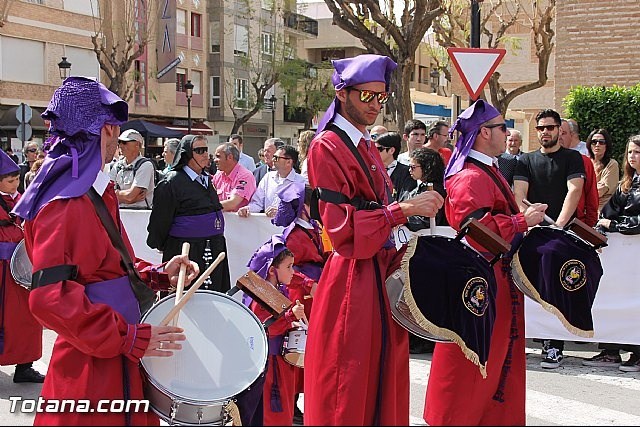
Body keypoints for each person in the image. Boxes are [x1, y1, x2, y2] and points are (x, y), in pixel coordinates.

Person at [11, 76, 198, 425]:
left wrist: (157, 273)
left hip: (113, 351)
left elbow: (107, 266)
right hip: (91, 365)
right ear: (106, 130)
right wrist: (127, 337)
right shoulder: (66, 203)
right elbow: (49, 297)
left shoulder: (91, 192)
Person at [305, 54, 444, 425]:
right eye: (366, 95)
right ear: (342, 93)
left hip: (377, 273)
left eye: (380, 97)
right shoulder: (326, 146)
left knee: (381, 375)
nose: (373, 104)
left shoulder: (365, 144)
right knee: (347, 382)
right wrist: (403, 210)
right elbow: (341, 230)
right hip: (351, 278)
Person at [424, 99, 547, 426]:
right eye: (501, 127)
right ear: (482, 133)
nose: (507, 133)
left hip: (492, 281)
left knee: (492, 363)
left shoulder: (484, 170)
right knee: (470, 363)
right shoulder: (471, 177)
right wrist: (522, 221)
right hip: (479, 285)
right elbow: (477, 231)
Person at [513, 108, 585, 369]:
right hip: (531, 234)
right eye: (541, 128)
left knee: (557, 290)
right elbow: (519, 193)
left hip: (560, 236)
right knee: (530, 290)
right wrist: (528, 220)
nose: (545, 132)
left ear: (559, 130)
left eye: (550, 127)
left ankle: (554, 345)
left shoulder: (572, 158)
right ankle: (530, 341)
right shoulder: (525, 161)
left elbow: (574, 190)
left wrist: (559, 226)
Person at [583, 134, 640, 372]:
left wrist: (615, 226)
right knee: (612, 296)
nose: (632, 157)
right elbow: (608, 212)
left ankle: (637, 352)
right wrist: (601, 227)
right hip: (620, 257)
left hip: (634, 255)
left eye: (637, 152)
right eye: (630, 152)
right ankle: (610, 349)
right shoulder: (626, 183)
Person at [147, 135, 231, 293]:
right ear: (187, 154)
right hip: (186, 250)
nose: (205, 154)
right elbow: (160, 221)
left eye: (206, 150)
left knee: (213, 297)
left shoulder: (207, 180)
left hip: (214, 247)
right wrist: (162, 245)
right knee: (185, 299)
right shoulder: (171, 182)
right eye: (199, 151)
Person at [247, 235, 311, 426]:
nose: (293, 271)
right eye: (289, 267)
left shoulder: (276, 289)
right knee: (272, 414)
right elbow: (266, 327)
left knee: (283, 412)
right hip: (270, 366)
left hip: (280, 363)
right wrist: (291, 316)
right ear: (273, 270)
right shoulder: (261, 294)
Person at [0, 151, 45, 383]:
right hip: (0, 275)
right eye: (10, 180)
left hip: (21, 271)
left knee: (27, 319)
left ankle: (24, 366)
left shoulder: (20, 199)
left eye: (17, 179)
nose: (15, 184)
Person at [239, 145, 305, 218]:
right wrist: (248, 209)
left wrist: (281, 212)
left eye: (276, 158)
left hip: (289, 228)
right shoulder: (268, 177)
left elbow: (300, 210)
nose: (273, 159)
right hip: (267, 226)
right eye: (273, 156)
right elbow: (257, 203)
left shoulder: (300, 182)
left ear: (289, 162)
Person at [559, 119, 599, 226]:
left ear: (571, 136)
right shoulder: (535, 161)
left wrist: (589, 226)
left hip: (576, 225)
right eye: (556, 133)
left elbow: (592, 198)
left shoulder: (584, 162)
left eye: (563, 133)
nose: (559, 137)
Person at [109, 129, 155, 209]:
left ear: (137, 144)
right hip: (119, 212)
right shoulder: (117, 165)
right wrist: (127, 197)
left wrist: (117, 195)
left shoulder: (146, 165)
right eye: (119, 142)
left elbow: (130, 196)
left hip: (140, 214)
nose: (120, 145)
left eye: (124, 142)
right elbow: (108, 194)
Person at [212, 142, 257, 212]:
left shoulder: (245, 176)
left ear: (230, 157)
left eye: (218, 156)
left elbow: (233, 203)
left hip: (240, 222)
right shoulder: (218, 176)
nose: (215, 160)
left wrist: (207, 208)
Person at [376, 131, 417, 201]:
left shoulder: (407, 172)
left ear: (391, 150)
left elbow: (406, 198)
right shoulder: (372, 170)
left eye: (379, 149)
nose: (375, 152)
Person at [586, 129, 620, 211]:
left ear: (606, 145)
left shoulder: (612, 164)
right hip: (583, 209)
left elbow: (599, 192)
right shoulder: (584, 162)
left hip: (602, 210)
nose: (597, 145)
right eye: (594, 142)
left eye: (601, 142)